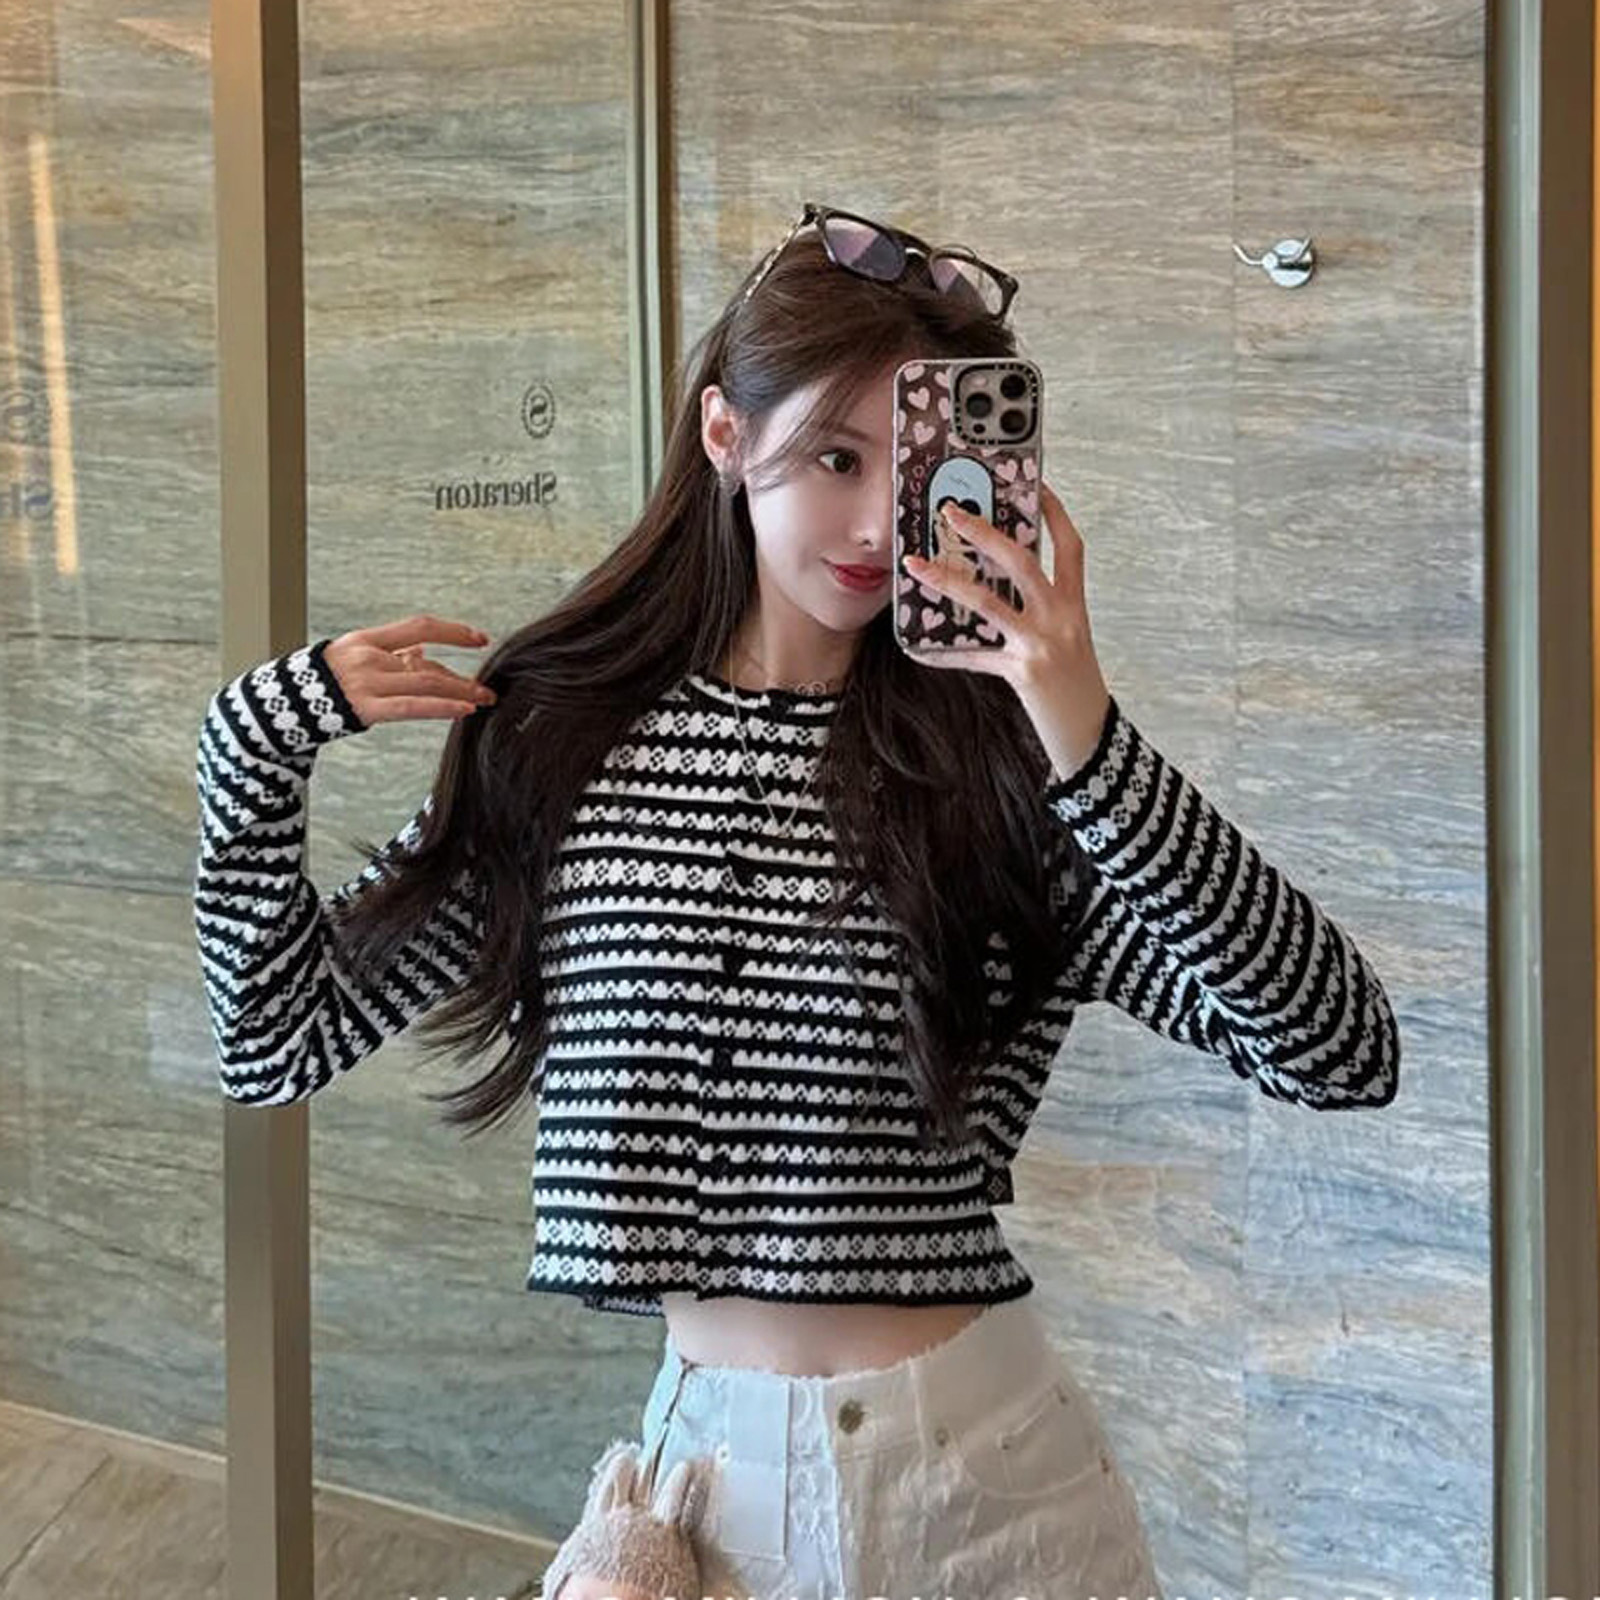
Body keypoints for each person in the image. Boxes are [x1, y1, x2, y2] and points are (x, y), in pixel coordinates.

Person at [193, 201, 1402, 1600]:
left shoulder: (1003, 772)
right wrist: (250, 750)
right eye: (836, 456)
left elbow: (1340, 1049)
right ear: (726, 433)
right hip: (714, 1501)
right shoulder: (560, 742)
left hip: (1000, 1496)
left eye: (916, 466)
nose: (878, 522)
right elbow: (275, 1041)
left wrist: (1082, 726)